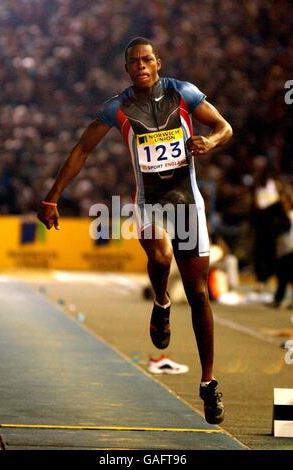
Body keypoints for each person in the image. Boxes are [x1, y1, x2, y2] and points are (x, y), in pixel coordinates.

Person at [37, 37, 233, 424]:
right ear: (127, 68)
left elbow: (224, 126)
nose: (141, 65)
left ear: (158, 62)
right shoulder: (118, 107)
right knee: (159, 257)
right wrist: (52, 197)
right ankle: (161, 303)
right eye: (134, 62)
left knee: (197, 293)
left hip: (188, 205)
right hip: (149, 204)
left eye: (147, 59)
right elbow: (81, 150)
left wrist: (209, 141)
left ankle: (208, 383)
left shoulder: (184, 93)